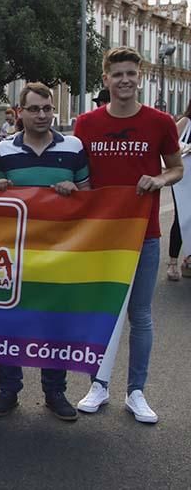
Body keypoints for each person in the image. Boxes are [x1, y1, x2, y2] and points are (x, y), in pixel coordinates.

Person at [74, 47, 183, 424]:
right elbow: (78, 173)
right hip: (100, 236)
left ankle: (136, 391)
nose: (124, 80)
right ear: (105, 79)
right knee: (101, 312)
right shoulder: (86, 124)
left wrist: (159, 179)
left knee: (140, 315)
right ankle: (98, 384)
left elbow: (177, 169)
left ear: (141, 78)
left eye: (131, 74)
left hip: (144, 234)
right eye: (117, 74)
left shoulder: (160, 122)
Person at [0, 82, 91, 421]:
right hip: (15, 254)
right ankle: (8, 390)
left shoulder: (74, 147)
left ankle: (54, 392)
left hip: (59, 252)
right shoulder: (3, 151)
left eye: (47, 108)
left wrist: (75, 191)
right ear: (19, 113)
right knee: (9, 322)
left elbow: (90, 198)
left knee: (54, 324)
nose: (42, 115)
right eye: (34, 109)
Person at [165, 100, 191, 281]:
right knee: (182, 215)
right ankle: (173, 262)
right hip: (185, 177)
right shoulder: (186, 122)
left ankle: (188, 259)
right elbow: (170, 143)